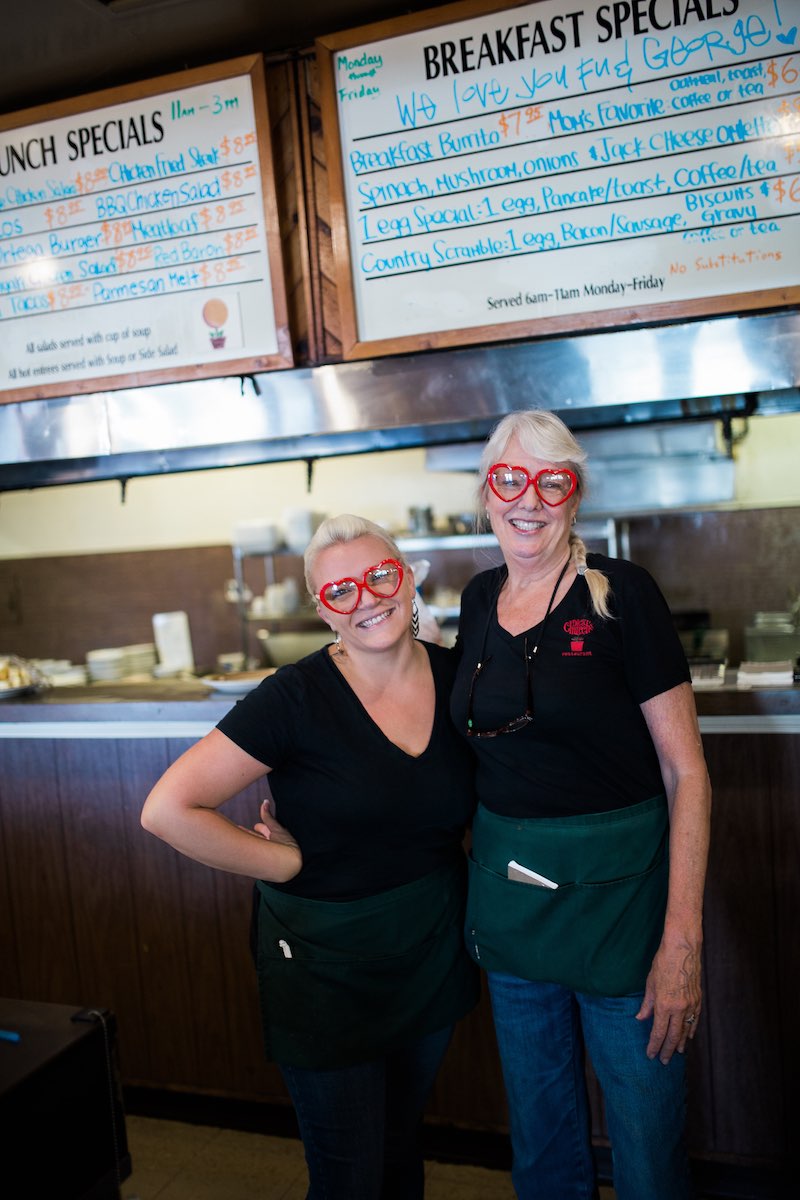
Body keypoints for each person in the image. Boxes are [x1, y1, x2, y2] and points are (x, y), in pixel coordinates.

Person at [141, 514, 479, 1200]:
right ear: (323, 608)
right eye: (341, 591)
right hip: (325, 968)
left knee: (399, 1149)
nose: (367, 599)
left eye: (380, 576)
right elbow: (167, 809)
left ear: (408, 578)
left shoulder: (460, 677)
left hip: (427, 952)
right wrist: (283, 867)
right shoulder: (293, 697)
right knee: (348, 1175)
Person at [451, 410, 711, 1200]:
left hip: (622, 909)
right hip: (513, 903)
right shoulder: (476, 599)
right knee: (541, 1139)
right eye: (509, 480)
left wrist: (681, 943)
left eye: (550, 481)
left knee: (645, 1139)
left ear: (575, 496)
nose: (528, 500)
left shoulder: (623, 595)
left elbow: (687, 774)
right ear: (487, 495)